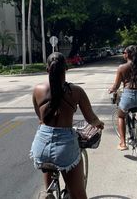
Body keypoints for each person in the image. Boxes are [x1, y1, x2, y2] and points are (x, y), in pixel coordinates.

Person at [30, 52, 104, 199]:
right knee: (79, 194)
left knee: (48, 164)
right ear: (66, 68)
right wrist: (99, 124)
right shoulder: (76, 91)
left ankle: (49, 193)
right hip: (64, 147)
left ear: (47, 69)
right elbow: (91, 119)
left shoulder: (37, 90)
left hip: (41, 145)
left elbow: (41, 118)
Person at [109, 45, 137, 151]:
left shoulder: (122, 68)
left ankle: (122, 143)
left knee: (121, 116)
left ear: (128, 54)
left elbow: (116, 86)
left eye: (124, 52)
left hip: (128, 98)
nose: (123, 54)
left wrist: (111, 90)